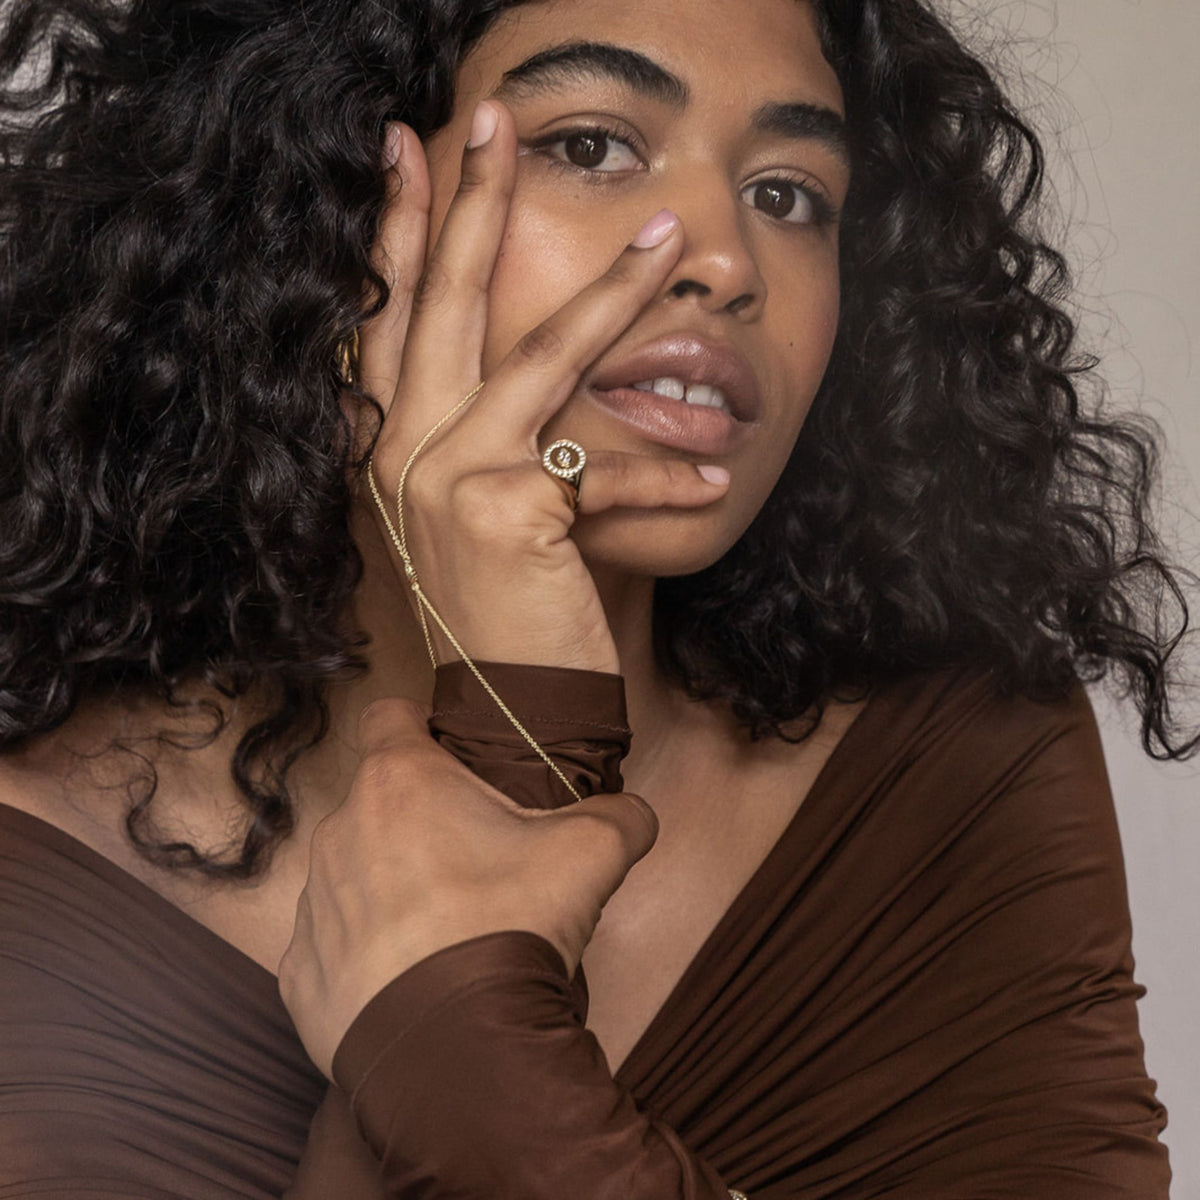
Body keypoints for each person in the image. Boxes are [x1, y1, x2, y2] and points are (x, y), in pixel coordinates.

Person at [0, 0, 1191, 1195]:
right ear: (315, 207)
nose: (728, 261)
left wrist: (457, 1012)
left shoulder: (946, 761)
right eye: (589, 145)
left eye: (790, 194)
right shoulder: (29, 877)